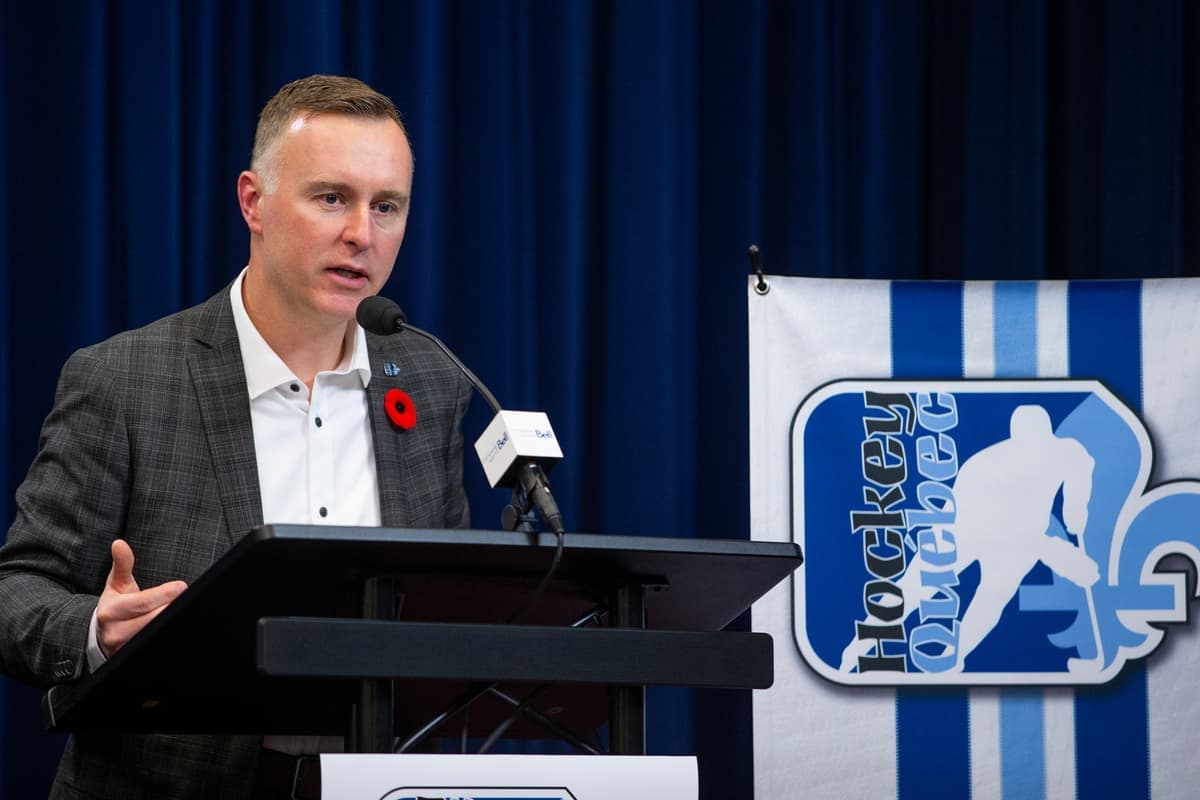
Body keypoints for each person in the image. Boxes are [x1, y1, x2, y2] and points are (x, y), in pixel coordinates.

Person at [0, 74, 470, 799]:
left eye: (387, 207)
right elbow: (17, 591)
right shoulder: (124, 381)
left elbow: (447, 606)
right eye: (331, 198)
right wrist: (93, 628)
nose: (361, 234)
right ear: (253, 200)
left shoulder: (432, 383)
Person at [840, 404, 1098, 673]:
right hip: (967, 527)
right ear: (1014, 438)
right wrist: (1058, 554)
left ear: (1047, 435)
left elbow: (1080, 477)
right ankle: (860, 646)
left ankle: (953, 658)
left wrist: (1075, 513)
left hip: (1020, 542)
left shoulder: (1068, 453)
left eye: (1037, 442)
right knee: (916, 586)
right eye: (1025, 442)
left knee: (990, 599)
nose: (1031, 451)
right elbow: (970, 519)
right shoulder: (985, 464)